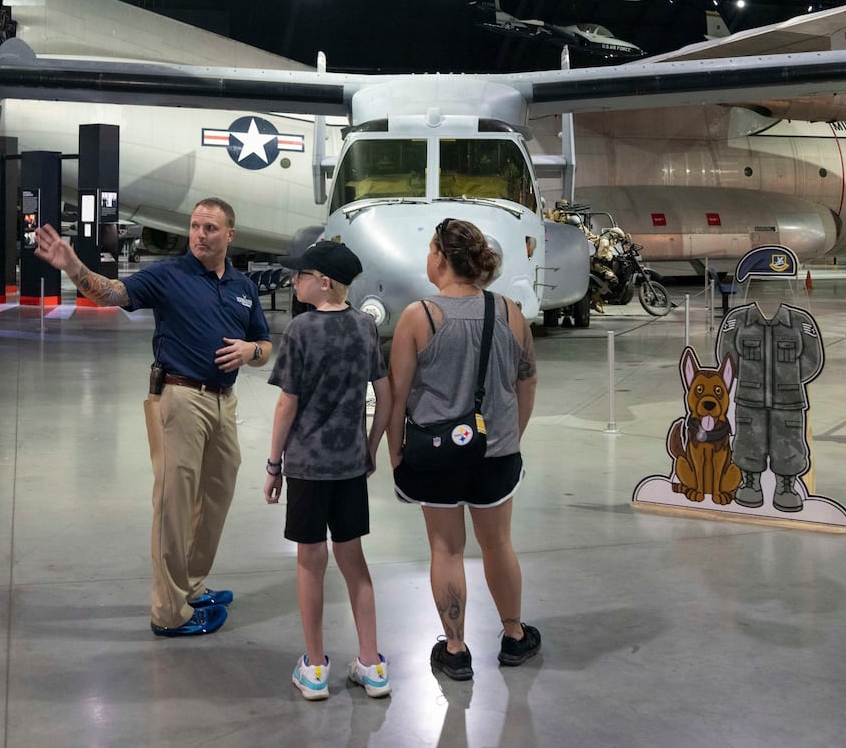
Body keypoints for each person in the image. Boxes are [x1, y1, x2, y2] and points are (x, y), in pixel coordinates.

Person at [33, 197, 271, 637]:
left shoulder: (243, 286)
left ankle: (191, 585)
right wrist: (73, 267)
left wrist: (251, 351)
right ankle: (169, 612)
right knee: (173, 505)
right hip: (179, 397)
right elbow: (113, 293)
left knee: (215, 497)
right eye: (196, 226)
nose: (200, 234)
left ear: (230, 235)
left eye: (210, 228)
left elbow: (264, 343)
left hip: (225, 401)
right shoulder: (169, 275)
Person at [384, 217, 540, 680]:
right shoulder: (510, 311)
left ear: (440, 255)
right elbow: (526, 380)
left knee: (446, 549)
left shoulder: (418, 316)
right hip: (496, 454)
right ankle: (513, 636)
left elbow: (397, 393)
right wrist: (511, 434)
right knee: (499, 544)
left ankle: (455, 649)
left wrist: (396, 453)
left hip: (436, 457)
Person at [263, 240, 392, 701]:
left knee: (310, 562)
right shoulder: (364, 327)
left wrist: (273, 464)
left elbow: (286, 403)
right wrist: (371, 447)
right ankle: (372, 664)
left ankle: (315, 667)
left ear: (323, 281)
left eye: (300, 275)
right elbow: (387, 395)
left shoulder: (300, 330)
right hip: (349, 465)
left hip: (307, 467)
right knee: (354, 561)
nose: (293, 281)